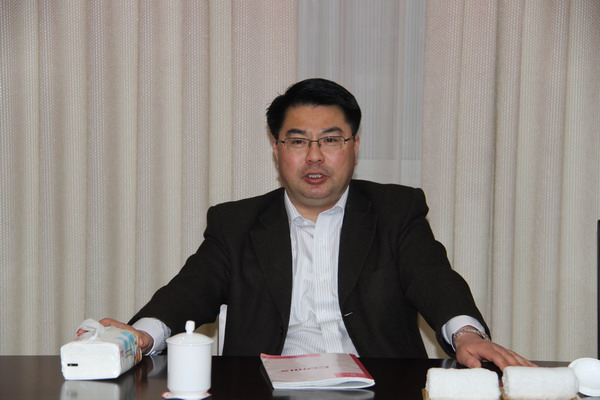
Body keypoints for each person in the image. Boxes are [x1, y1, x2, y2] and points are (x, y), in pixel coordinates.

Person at [98, 78, 533, 370]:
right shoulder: (236, 222)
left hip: (381, 384)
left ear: (354, 146)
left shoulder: (395, 210)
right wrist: (143, 336)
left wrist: (466, 334)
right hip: (265, 387)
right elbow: (190, 290)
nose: (314, 156)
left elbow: (433, 277)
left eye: (330, 140)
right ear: (276, 149)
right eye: (297, 141)